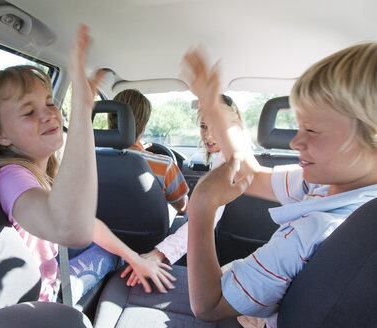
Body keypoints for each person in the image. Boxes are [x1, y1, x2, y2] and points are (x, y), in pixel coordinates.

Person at [0, 25, 174, 304]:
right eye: (28, 111)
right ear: (1, 135)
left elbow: (88, 224)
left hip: (38, 284)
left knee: (111, 251)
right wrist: (83, 110)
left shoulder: (29, 174)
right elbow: (73, 227)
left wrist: (134, 257)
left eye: (49, 102)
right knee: (108, 257)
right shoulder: (12, 178)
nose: (48, 114)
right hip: (44, 303)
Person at [182, 43, 377, 328]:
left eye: (311, 130)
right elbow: (251, 174)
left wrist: (201, 205)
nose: (295, 142)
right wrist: (211, 108)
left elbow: (208, 307)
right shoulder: (334, 189)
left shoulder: (311, 231)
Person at [120, 94, 245, 287]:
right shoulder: (231, 159)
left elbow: (206, 218)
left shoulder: (229, 167)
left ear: (234, 126)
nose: (208, 136)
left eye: (217, 127)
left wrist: (159, 254)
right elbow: (184, 208)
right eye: (203, 127)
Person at [110, 89, 189, 214]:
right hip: (149, 233)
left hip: (100, 231)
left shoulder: (92, 160)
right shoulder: (165, 165)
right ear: (144, 125)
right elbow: (182, 209)